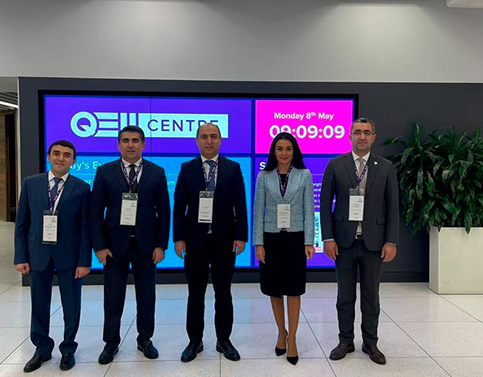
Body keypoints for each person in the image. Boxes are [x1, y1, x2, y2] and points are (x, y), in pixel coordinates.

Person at [320, 117, 399, 365]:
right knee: (344, 296)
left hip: (374, 244)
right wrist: (328, 238)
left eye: (366, 132)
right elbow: (325, 205)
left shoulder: (385, 167)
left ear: (374, 137)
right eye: (357, 132)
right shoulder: (335, 164)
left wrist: (391, 241)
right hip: (343, 242)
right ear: (349, 136)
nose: (361, 136)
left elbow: (393, 207)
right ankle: (345, 340)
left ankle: (370, 342)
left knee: (371, 296)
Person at [89, 125, 170, 364]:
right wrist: (99, 246)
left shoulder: (156, 172)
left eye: (135, 140)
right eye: (125, 140)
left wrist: (161, 245)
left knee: (146, 296)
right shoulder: (105, 171)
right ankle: (111, 342)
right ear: (118, 145)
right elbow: (95, 211)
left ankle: (145, 339)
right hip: (114, 247)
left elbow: (164, 211)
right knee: (113, 296)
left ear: (143, 144)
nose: (131, 145)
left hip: (146, 246)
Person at [173, 123, 248, 362]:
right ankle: (195, 341)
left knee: (223, 293)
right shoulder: (187, 168)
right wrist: (178, 238)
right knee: (195, 294)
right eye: (204, 137)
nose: (209, 141)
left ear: (220, 140)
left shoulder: (233, 168)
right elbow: (179, 206)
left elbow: (240, 204)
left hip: (224, 241)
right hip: (194, 242)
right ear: (197, 141)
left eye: (213, 136)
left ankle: (223, 340)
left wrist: (241, 235)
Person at [14, 140, 91, 372]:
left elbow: (85, 227)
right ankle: (42, 348)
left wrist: (84, 261)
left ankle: (68, 349)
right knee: (39, 303)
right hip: (37, 253)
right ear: (49, 156)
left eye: (67, 155)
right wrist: (20, 256)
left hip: (70, 256)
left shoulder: (82, 187)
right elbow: (22, 222)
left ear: (73, 161)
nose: (61, 158)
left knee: (71, 304)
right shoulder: (30, 183)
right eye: (56, 153)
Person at [253, 132, 315, 365]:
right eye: (279, 148)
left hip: (295, 238)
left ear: (294, 151)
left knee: (294, 290)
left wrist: (309, 241)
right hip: (271, 239)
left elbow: (309, 210)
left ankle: (293, 339)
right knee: (274, 289)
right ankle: (281, 332)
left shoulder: (304, 174)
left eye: (288, 148)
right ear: (273, 152)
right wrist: (258, 243)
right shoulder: (264, 176)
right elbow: (258, 211)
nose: (284, 153)